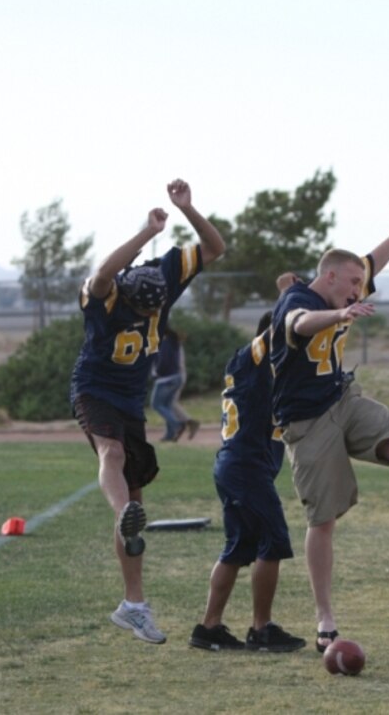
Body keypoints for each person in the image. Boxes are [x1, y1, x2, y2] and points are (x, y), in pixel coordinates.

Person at [70, 179, 225, 645]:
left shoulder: (163, 278)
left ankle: (133, 605)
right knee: (112, 456)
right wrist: (144, 231)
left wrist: (188, 209)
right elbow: (100, 274)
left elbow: (214, 247)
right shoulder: (108, 293)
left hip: (131, 399)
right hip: (95, 389)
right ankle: (123, 515)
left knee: (135, 497)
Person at [269, 187, 389, 652]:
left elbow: (374, 259)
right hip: (306, 422)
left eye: (360, 283)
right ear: (330, 276)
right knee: (324, 519)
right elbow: (298, 324)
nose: (360, 288)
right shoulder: (298, 299)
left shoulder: (347, 283)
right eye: (352, 281)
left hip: (344, 400)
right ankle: (325, 617)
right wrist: (339, 313)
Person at [189, 275, 306, 654]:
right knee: (273, 542)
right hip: (245, 467)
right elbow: (276, 336)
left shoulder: (276, 378)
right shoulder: (251, 360)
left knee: (239, 547)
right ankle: (262, 629)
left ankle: (209, 628)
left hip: (241, 466)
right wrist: (290, 296)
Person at [150, 322, 198, 442]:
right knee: (167, 405)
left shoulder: (164, 342)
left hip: (166, 378)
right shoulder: (172, 340)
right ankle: (170, 434)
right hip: (176, 376)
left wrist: (156, 372)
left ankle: (178, 425)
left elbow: (163, 362)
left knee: (156, 404)